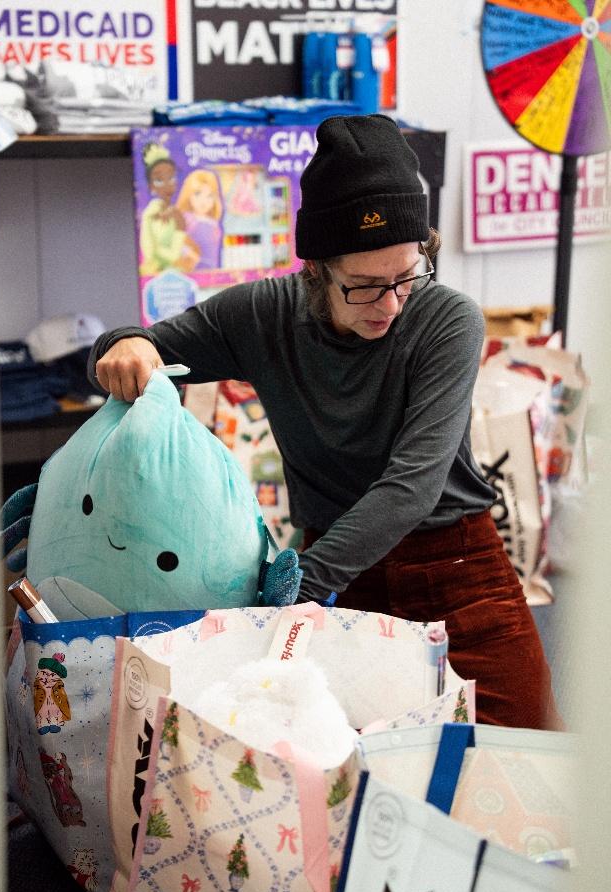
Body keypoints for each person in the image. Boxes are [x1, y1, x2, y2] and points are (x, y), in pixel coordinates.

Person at [89, 114, 562, 731]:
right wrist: (125, 343)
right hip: (340, 582)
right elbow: (126, 352)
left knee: (526, 758)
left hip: (458, 572)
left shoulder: (448, 319)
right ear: (314, 270)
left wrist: (292, 590)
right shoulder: (263, 314)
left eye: (406, 276)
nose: (391, 305)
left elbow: (411, 487)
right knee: (345, 779)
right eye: (364, 287)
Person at [139, 142, 201, 276]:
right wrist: (180, 230)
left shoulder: (173, 211)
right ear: (151, 186)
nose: (167, 185)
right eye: (159, 180)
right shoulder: (153, 214)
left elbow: (192, 249)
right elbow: (155, 253)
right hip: (157, 276)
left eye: (171, 177)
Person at [175, 169, 223, 270]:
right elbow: (176, 242)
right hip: (194, 270)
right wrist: (189, 254)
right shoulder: (187, 218)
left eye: (209, 196)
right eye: (197, 194)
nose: (203, 201)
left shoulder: (213, 222)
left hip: (212, 270)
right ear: (188, 195)